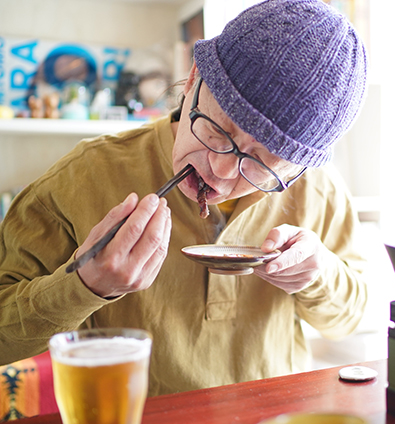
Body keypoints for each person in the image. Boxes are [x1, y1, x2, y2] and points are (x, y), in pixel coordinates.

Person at [0, 0, 368, 396]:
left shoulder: (319, 189)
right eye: (216, 129)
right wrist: (84, 285)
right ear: (193, 79)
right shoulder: (82, 176)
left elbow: (349, 320)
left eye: (262, 162)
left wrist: (318, 276)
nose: (221, 171)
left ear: (297, 169)